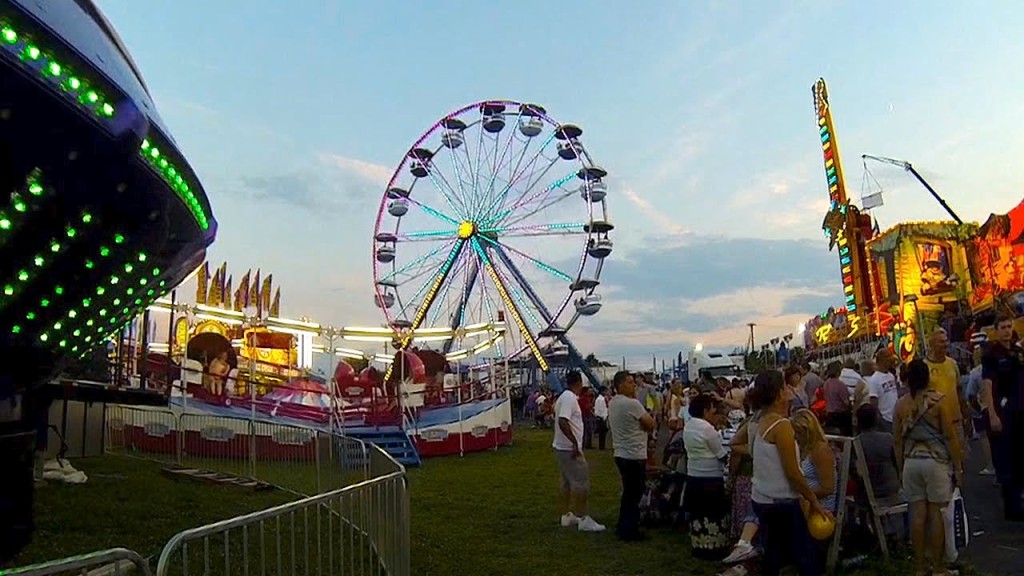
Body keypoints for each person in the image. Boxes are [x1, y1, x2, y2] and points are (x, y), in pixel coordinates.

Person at [748, 370, 831, 576]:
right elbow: (793, 473)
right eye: (785, 387)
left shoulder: (764, 420)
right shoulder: (781, 425)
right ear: (779, 394)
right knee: (806, 558)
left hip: (763, 498)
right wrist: (813, 501)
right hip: (781, 502)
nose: (789, 390)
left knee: (774, 555)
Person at [894, 359, 964, 576]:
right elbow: (950, 437)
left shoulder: (900, 405)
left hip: (911, 463)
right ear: (927, 377)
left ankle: (919, 567)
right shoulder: (938, 401)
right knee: (937, 514)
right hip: (936, 463)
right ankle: (938, 567)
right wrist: (959, 467)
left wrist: (900, 467)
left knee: (917, 515)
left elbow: (897, 441)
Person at [980, 313, 1024, 520]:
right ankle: (1012, 508)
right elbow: (987, 385)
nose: (1007, 331)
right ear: (996, 330)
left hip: (1019, 411)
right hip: (1003, 412)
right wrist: (992, 414)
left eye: (1009, 326)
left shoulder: (1017, 351)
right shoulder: (991, 354)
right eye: (1003, 327)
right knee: (1006, 460)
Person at [552, 371, 605, 532]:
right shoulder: (569, 399)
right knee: (581, 482)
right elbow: (563, 420)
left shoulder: (563, 397)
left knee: (566, 482)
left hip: (561, 446)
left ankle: (566, 515)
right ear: (579, 382)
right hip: (569, 448)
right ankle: (583, 518)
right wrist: (574, 442)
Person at [608, 371, 656, 541]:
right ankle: (629, 530)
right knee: (635, 493)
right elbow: (650, 423)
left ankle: (623, 524)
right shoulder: (632, 404)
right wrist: (643, 426)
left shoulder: (613, 403)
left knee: (628, 492)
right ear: (620, 386)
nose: (634, 385)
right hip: (634, 454)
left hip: (620, 452)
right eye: (629, 382)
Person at [682, 393, 731, 559]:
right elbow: (721, 454)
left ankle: (699, 544)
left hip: (694, 475)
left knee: (698, 513)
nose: (714, 412)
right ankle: (715, 548)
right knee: (713, 514)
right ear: (705, 411)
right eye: (712, 409)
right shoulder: (707, 429)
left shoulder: (688, 426)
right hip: (711, 478)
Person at [867, 349, 899, 433]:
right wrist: (879, 418)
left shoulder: (891, 376)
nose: (890, 362)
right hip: (885, 419)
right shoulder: (874, 380)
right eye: (888, 359)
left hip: (896, 417)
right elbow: (873, 401)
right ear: (881, 361)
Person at [821, 361, 853, 436]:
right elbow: (846, 402)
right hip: (841, 415)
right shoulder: (840, 385)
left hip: (830, 414)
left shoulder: (826, 384)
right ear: (839, 371)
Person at [594, 386, 609, 450]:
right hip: (601, 417)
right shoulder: (601, 399)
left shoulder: (598, 399)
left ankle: (602, 446)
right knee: (602, 433)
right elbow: (602, 409)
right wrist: (604, 417)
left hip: (599, 417)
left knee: (602, 433)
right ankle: (602, 446)